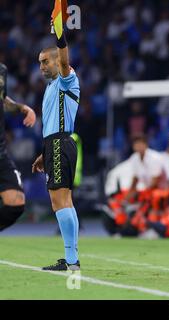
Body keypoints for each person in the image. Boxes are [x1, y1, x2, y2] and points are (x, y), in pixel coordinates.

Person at [31, 24, 81, 271]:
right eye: (39, 63)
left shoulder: (66, 79)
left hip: (61, 143)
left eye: (45, 62)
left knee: (58, 201)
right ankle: (71, 259)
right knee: (65, 201)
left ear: (56, 61)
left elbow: (64, 61)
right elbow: (52, 124)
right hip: (54, 144)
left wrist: (60, 36)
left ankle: (72, 261)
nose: (41, 67)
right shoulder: (52, 88)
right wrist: (44, 153)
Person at [0, 63, 36, 231]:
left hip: (1, 153)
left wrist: (21, 107)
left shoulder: (2, 70)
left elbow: (3, 100)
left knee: (16, 203)